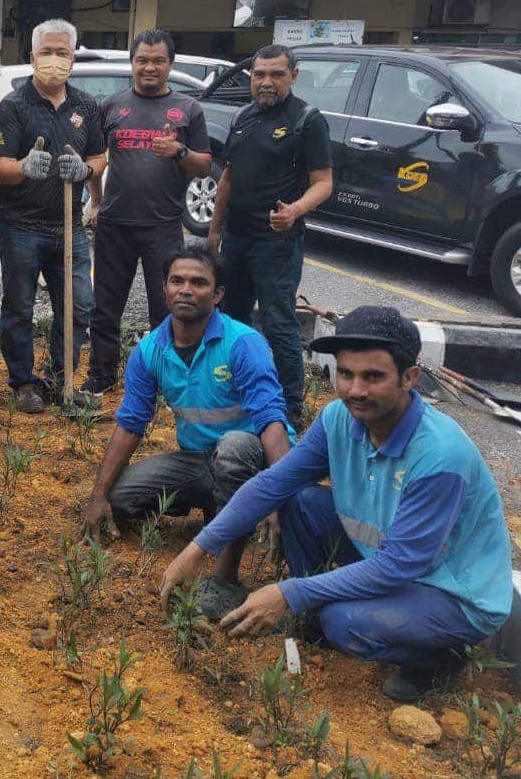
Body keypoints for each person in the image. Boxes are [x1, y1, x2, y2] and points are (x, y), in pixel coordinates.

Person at [159, 306, 511, 702]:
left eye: (373, 376)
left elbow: (398, 565)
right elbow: (273, 483)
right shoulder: (339, 419)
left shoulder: (440, 456)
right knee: (298, 499)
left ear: (409, 378)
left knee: (343, 622)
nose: (355, 390)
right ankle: (317, 616)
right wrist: (198, 547)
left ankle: (438, 657)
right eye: (346, 374)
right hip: (387, 557)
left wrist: (290, 592)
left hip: (449, 591)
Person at [79, 246, 292, 618]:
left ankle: (225, 578)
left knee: (235, 447)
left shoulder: (242, 343)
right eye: (177, 281)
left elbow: (271, 421)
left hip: (251, 458)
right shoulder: (150, 350)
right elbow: (130, 423)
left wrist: (281, 499)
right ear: (164, 289)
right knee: (121, 498)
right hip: (197, 461)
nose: (186, 290)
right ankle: (222, 508)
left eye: (199, 282)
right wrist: (98, 496)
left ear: (218, 294)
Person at [84, 29, 212, 404]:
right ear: (132, 62)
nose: (150, 67)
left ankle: (165, 383)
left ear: (170, 65)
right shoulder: (111, 105)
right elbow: (97, 158)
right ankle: (101, 377)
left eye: (158, 60)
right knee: (105, 308)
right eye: (142, 60)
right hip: (114, 225)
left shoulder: (189, 110)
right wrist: (96, 200)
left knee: (166, 309)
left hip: (163, 226)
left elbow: (205, 166)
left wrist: (178, 151)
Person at [208, 44, 333, 429]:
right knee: (233, 319)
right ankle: (243, 391)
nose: (266, 82)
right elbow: (228, 176)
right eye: (259, 75)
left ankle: (290, 405)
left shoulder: (307, 120)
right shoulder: (243, 117)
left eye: (276, 75)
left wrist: (295, 210)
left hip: (276, 243)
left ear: (293, 76)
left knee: (279, 324)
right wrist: (214, 230)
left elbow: (324, 183)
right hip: (236, 239)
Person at [0, 18, 101, 413]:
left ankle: (60, 381)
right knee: (19, 307)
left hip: (68, 226)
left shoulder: (86, 106)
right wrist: (24, 166)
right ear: (32, 56)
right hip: (20, 227)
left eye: (62, 53)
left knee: (77, 307)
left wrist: (86, 171)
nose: (54, 60)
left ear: (74, 56)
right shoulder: (13, 106)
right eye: (46, 52)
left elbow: (99, 156)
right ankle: (22, 383)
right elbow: (0, 165)